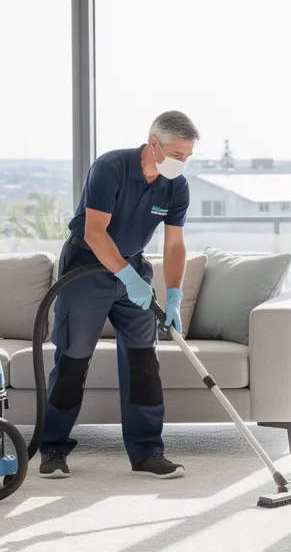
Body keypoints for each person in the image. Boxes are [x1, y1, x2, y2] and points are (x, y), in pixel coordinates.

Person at [39, 111, 198, 480]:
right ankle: (52, 447)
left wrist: (174, 295)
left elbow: (174, 245)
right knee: (74, 360)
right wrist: (127, 278)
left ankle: (147, 453)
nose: (182, 162)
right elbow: (95, 233)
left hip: (132, 264)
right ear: (154, 143)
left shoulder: (176, 187)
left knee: (144, 361)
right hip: (86, 265)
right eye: (177, 154)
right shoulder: (110, 167)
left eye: (188, 156)